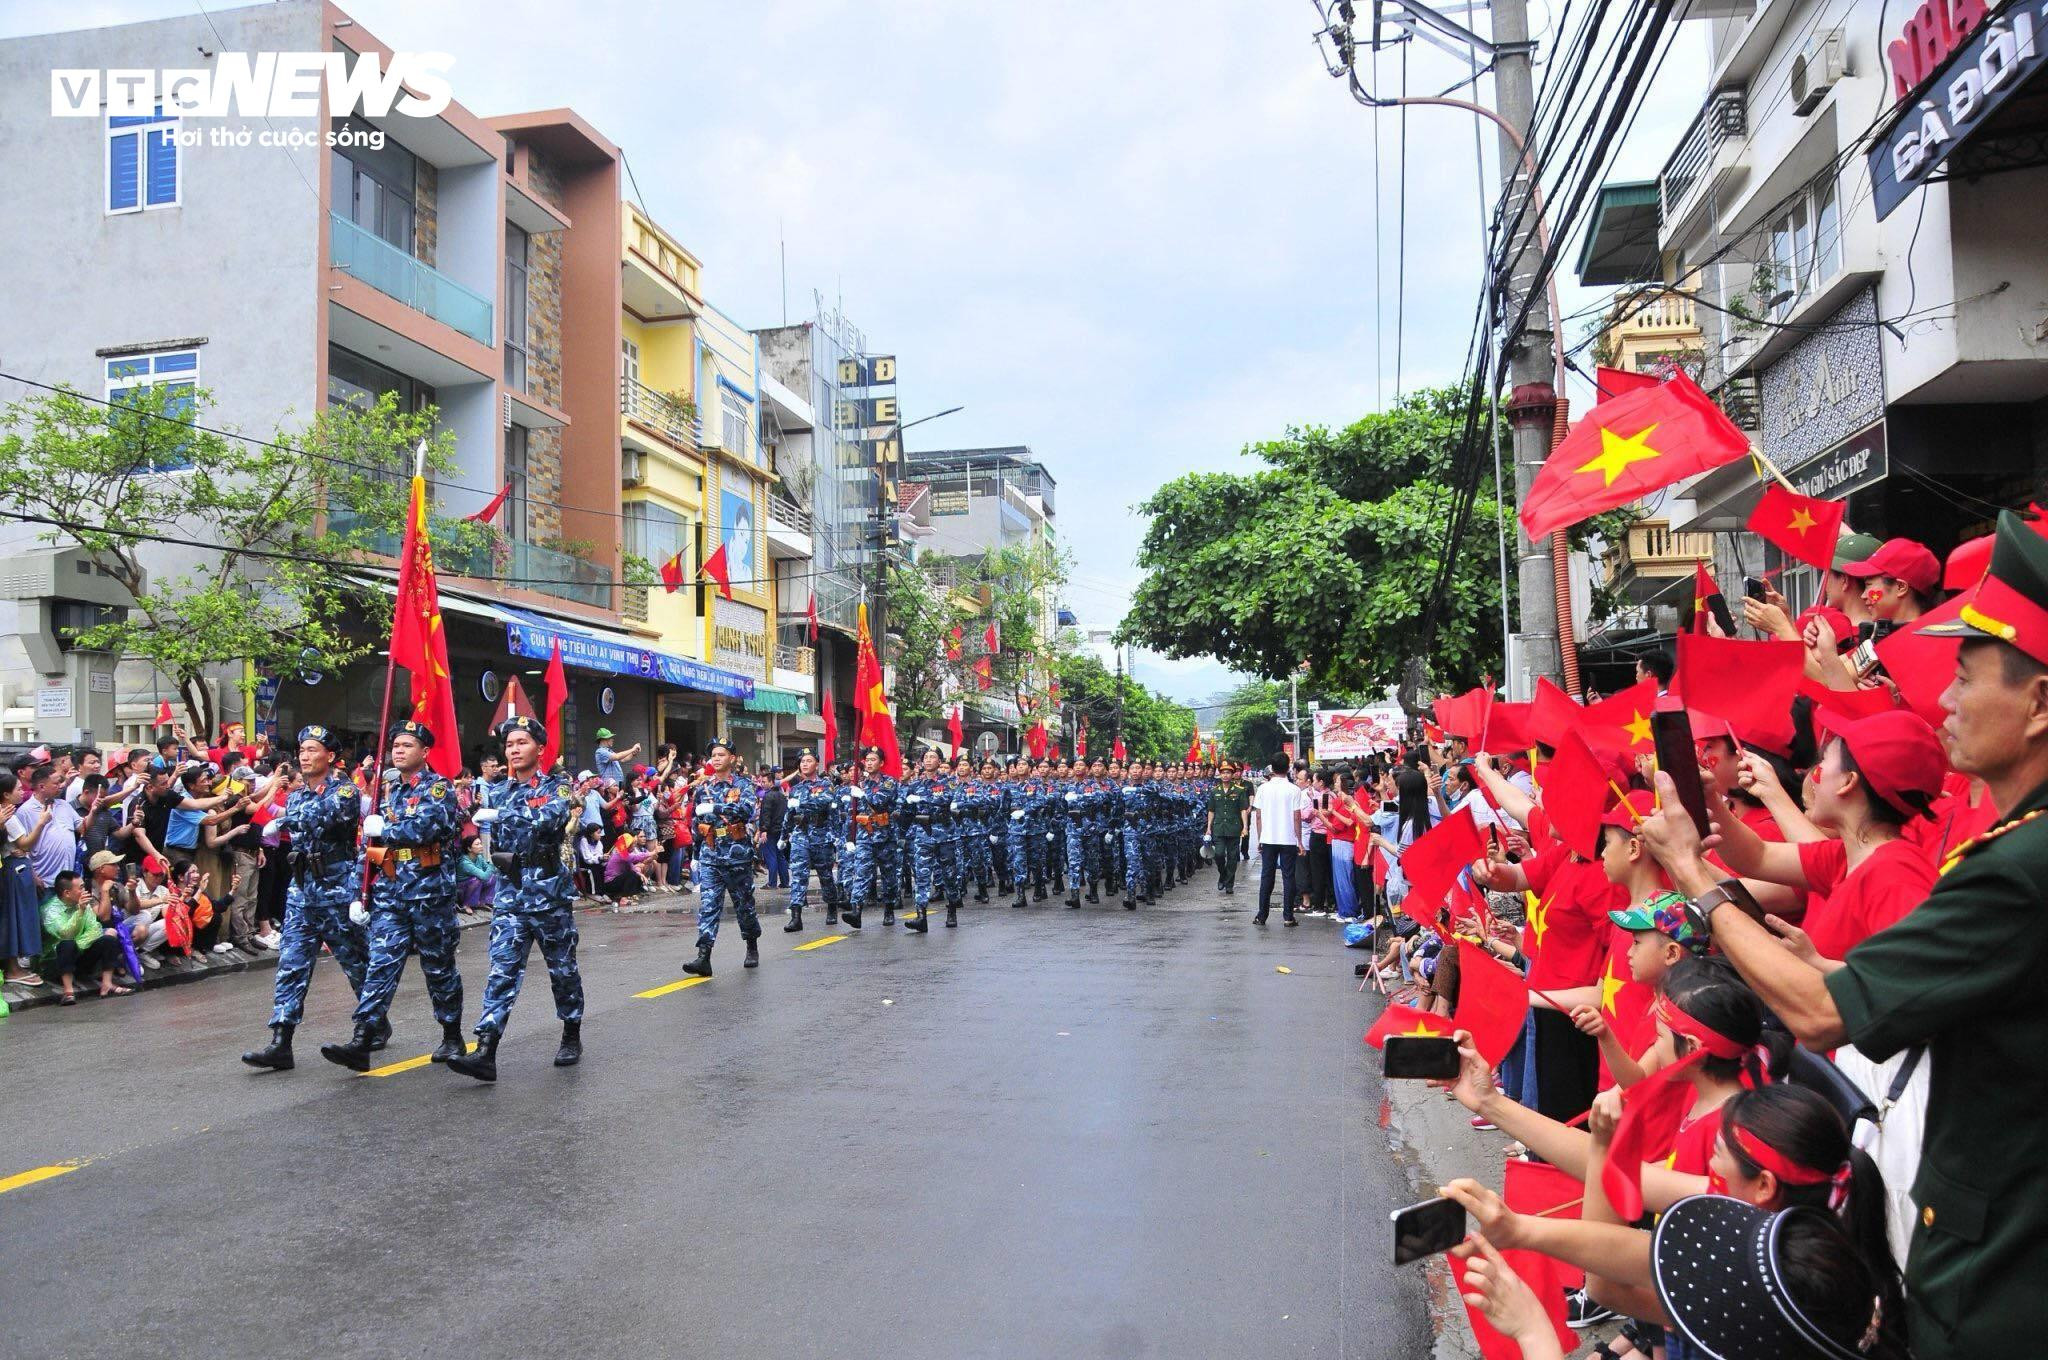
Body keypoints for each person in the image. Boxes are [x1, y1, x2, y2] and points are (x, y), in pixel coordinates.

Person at [1634, 508, 2048, 1358]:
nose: (1945, 698)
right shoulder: (2009, 851)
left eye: (1968, 679)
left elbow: (1825, 1012)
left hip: (1996, 1276)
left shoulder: (2013, 869)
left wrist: (1693, 876)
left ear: (2038, 703)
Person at [321, 719, 466, 1072]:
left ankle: (451, 1033)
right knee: (380, 964)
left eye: (407, 746)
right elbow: (371, 846)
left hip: (429, 892)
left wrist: (388, 828)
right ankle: (362, 1037)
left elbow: (428, 827)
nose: (399, 751)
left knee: (438, 966)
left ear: (425, 752)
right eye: (395, 746)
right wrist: (361, 890)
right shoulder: (387, 793)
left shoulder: (438, 789)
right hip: (390, 892)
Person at [448, 716, 583, 1081]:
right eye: (509, 744)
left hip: (547, 890)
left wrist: (501, 812)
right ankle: (486, 1050)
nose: (514, 749)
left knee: (562, 969)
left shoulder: (558, 786)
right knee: (502, 969)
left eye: (522, 742)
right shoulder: (497, 790)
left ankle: (571, 1032)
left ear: (539, 749)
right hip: (510, 892)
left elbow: (547, 819)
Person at [240, 726, 374, 1072]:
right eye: (302, 749)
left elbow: (326, 816)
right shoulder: (297, 796)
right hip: (302, 891)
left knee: (356, 963)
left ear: (330, 756)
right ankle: (280, 1042)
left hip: (335, 889)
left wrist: (283, 818)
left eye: (312, 749)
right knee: (291, 966)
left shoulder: (344, 790)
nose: (304, 755)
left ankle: (373, 1021)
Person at [680, 738, 761, 976]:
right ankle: (703, 956)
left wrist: (718, 809)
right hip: (711, 852)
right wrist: (696, 852)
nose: (716, 759)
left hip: (736, 854)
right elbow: (696, 821)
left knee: (744, 904)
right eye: (713, 755)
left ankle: (751, 945)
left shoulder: (743, 785)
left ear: (732, 759)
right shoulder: (702, 788)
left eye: (721, 754)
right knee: (708, 905)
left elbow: (747, 810)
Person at [38, 869, 125, 1004]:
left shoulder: (83, 903)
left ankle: (107, 984)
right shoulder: (49, 910)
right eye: (81, 887)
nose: (85, 890)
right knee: (67, 943)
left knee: (109, 939)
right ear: (67, 893)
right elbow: (65, 933)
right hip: (54, 964)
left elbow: (95, 929)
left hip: (78, 956)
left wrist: (78, 946)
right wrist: (80, 912)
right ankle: (68, 991)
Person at [781, 749, 842, 931]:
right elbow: (790, 814)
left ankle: (831, 906)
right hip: (800, 835)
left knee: (825, 875)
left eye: (808, 761)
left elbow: (824, 802)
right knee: (798, 875)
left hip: (821, 835)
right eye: (802, 761)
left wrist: (802, 804)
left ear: (817, 764)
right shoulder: (796, 788)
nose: (804, 764)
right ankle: (796, 916)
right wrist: (784, 835)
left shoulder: (825, 785)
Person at [1247, 753, 1305, 926]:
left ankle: (1261, 915)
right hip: (1288, 839)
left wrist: (1260, 838)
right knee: (1288, 877)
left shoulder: (1263, 789)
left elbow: (1258, 816)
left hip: (1269, 838)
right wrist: (1299, 841)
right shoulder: (1294, 790)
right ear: (1288, 768)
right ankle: (1288, 917)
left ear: (1271, 768)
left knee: (1267, 876)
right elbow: (1297, 817)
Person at [757, 772, 789, 890]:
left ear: (771, 782)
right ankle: (785, 881)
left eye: (764, 782)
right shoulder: (781, 795)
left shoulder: (768, 796)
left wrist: (764, 830)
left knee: (771, 856)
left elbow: (766, 814)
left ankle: (772, 882)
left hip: (770, 830)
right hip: (780, 829)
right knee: (780, 855)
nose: (762, 784)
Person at [456, 834, 495, 914]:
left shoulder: (479, 857)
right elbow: (484, 876)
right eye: (477, 844)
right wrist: (491, 864)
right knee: (477, 879)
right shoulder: (465, 863)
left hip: (472, 884)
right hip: (461, 889)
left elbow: (487, 870)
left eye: (480, 843)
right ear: (469, 848)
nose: (481, 846)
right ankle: (465, 905)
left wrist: (489, 868)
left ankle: (481, 902)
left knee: (493, 877)